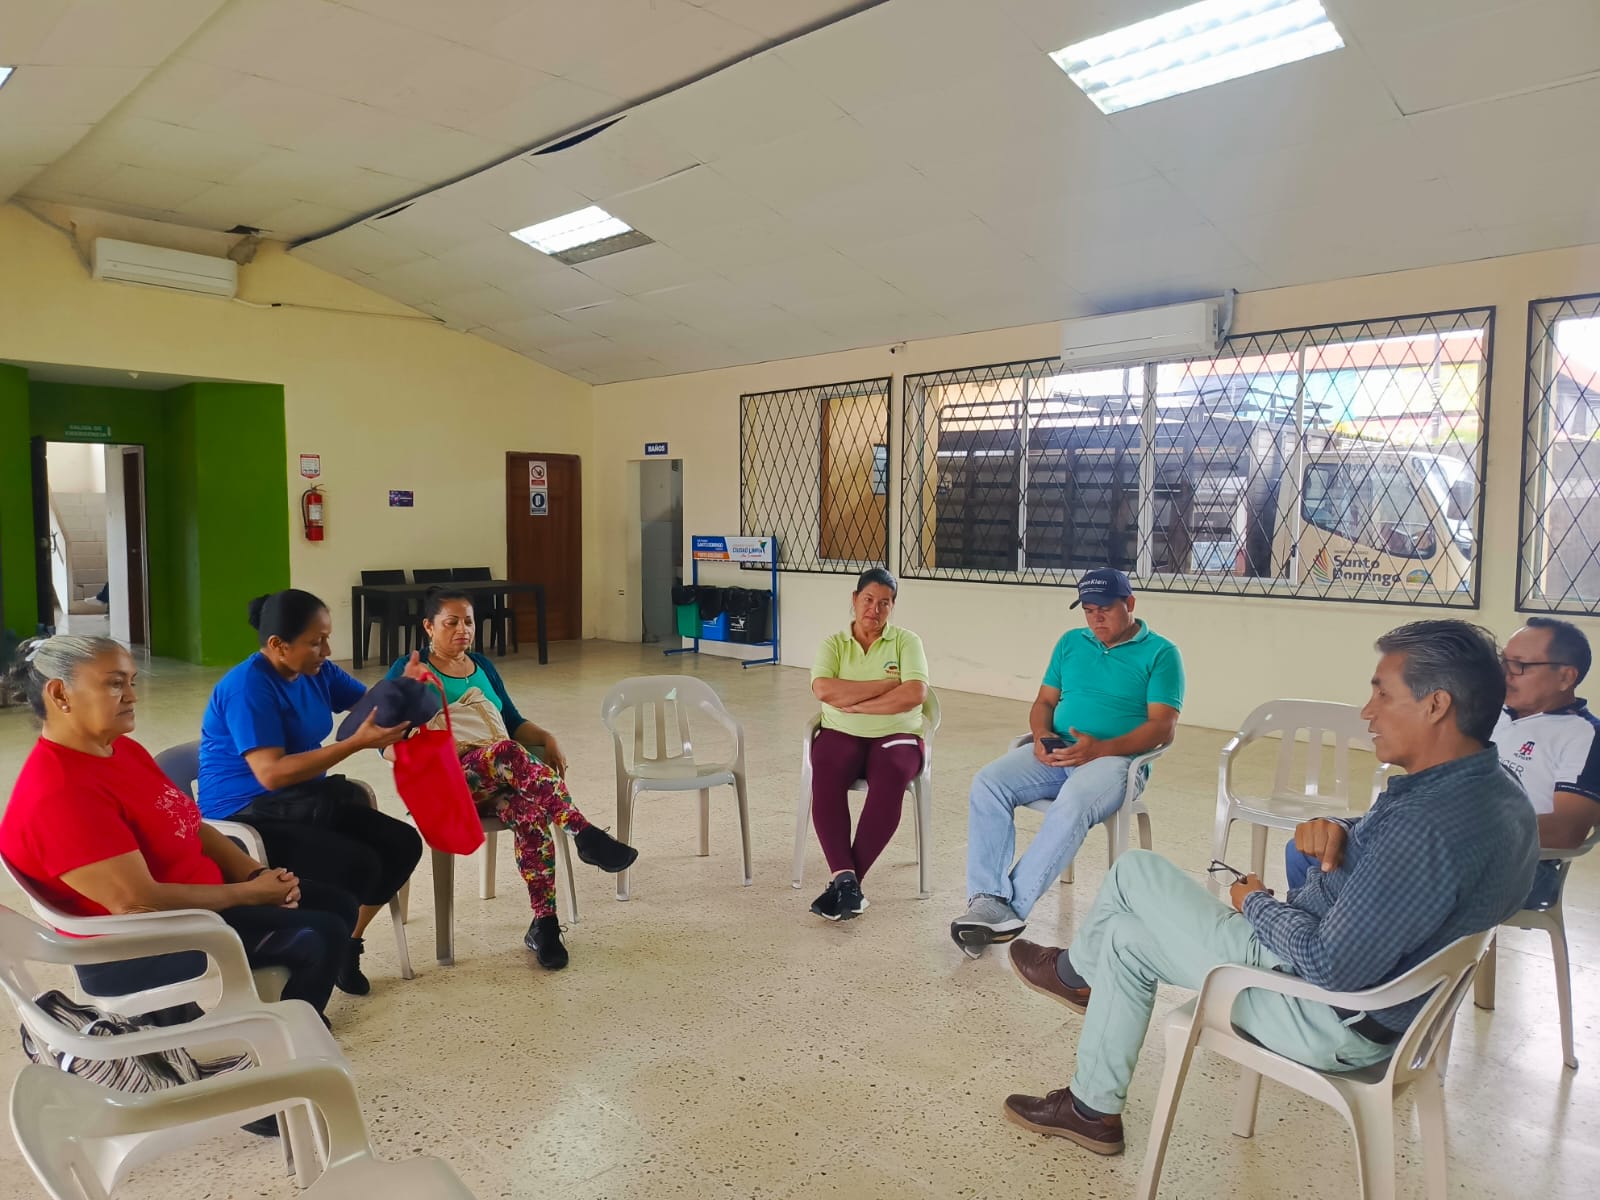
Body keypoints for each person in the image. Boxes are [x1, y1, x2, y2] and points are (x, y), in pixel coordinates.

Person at [999, 620, 1537, 1158]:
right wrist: (1341, 828)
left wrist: (1252, 901)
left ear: (1436, 705)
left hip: (1325, 1013)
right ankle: (1091, 1110)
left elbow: (1329, 964)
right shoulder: (1497, 792)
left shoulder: (1423, 827)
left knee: (1135, 872)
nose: (1367, 712)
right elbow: (1393, 859)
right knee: (1122, 937)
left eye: (1382, 693)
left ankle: (1075, 974)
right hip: (1383, 1008)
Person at [0, 635, 357, 1023]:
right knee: (320, 932)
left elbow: (189, 824)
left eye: (132, 682)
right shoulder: (60, 793)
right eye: (115, 684)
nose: (132, 696)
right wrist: (249, 894)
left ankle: (286, 1016)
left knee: (339, 904)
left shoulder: (121, 750)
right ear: (60, 694)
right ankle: (288, 1029)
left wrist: (253, 874)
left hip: (196, 906)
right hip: (139, 944)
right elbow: (138, 903)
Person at [384, 589, 636, 969]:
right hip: (447, 784)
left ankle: (544, 925)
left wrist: (547, 738)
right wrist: (420, 754)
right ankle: (584, 833)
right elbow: (383, 740)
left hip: (497, 778)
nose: (462, 630)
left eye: (468, 622)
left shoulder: (482, 665)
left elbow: (512, 722)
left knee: (530, 812)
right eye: (451, 622)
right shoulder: (411, 668)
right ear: (429, 627)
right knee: (506, 751)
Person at [1285, 616, 1600, 909]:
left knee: (1343, 869)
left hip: (1523, 866)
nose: (1504, 674)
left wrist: (1446, 833)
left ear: (1565, 676)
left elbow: (1567, 831)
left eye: (1519, 666)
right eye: (1503, 662)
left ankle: (1332, 940)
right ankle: (1327, 935)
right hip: (1441, 838)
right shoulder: (1492, 714)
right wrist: (1358, 827)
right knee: (1313, 849)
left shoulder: (1585, 736)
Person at [198, 589, 424, 996]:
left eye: (327, 639)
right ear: (278, 645)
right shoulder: (248, 688)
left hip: (303, 801)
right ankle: (311, 954)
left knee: (402, 843)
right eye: (316, 642)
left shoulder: (317, 671)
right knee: (358, 865)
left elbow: (370, 709)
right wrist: (354, 744)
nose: (327, 650)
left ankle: (347, 945)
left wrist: (403, 689)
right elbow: (271, 774)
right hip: (247, 815)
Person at [950, 568, 1183, 955]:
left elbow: (1162, 727)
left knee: (1074, 799)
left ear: (1130, 604)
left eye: (1105, 609)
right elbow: (1044, 702)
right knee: (989, 782)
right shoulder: (1070, 643)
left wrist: (1099, 750)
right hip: (1059, 751)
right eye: (1089, 610)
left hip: (1117, 762)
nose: (1096, 619)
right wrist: (1042, 735)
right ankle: (987, 898)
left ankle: (1006, 911)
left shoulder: (1161, 653)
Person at [805, 568, 930, 921]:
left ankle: (846, 882)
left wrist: (858, 704)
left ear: (893, 607)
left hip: (897, 735)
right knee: (826, 773)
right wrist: (886, 685)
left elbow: (915, 693)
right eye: (868, 600)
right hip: (841, 731)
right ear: (854, 599)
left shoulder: (907, 642)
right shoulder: (833, 644)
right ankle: (847, 881)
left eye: (884, 603)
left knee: (891, 777)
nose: (874, 609)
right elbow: (823, 689)